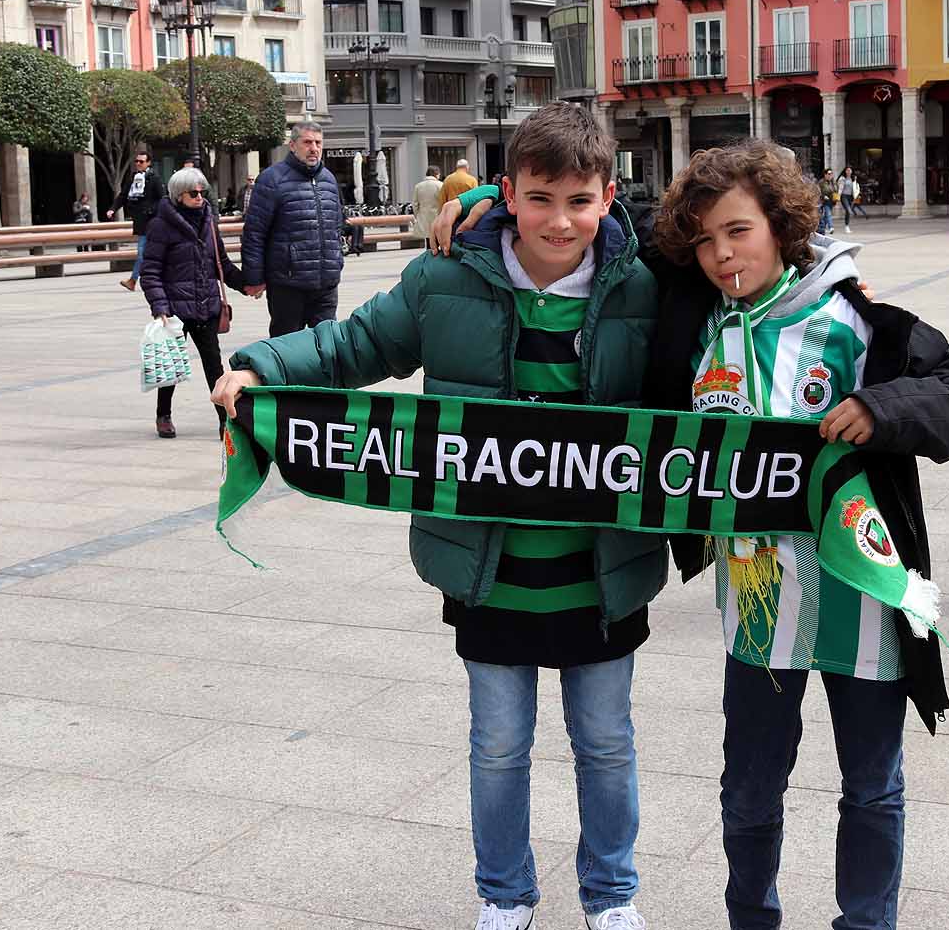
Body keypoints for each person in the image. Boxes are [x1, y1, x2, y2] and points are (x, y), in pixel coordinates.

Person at [213, 102, 663, 930]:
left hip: (605, 572)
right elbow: (352, 346)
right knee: (498, 749)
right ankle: (504, 892)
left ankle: (612, 893)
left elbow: (741, 308)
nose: (558, 220)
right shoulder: (444, 276)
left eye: (578, 199)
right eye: (538, 198)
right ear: (509, 193)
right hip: (486, 571)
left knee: (607, 747)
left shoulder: (646, 284)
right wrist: (258, 365)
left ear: (608, 195)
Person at [651, 141, 949, 930]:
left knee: (872, 783)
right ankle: (752, 919)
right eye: (704, 239)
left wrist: (881, 410)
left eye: (738, 230)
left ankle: (866, 923)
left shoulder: (854, 319)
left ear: (781, 224)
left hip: (862, 597)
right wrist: (485, 205)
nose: (722, 253)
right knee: (749, 788)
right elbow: (603, 234)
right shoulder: (699, 326)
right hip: (760, 607)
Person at [140, 167, 250, 439]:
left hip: (206, 306)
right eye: (193, 193)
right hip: (175, 311)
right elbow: (150, 271)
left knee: (215, 367)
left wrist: (247, 285)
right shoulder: (161, 225)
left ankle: (227, 421)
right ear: (179, 195)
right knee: (172, 367)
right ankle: (163, 415)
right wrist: (160, 307)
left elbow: (221, 263)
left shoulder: (209, 222)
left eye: (203, 192)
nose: (200, 197)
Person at [241, 122, 346, 338]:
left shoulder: (328, 179)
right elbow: (254, 233)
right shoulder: (271, 179)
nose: (314, 148)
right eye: (307, 142)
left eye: (318, 143)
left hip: (325, 283)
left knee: (329, 346)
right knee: (286, 349)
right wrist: (254, 278)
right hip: (287, 284)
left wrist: (337, 261)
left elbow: (336, 225)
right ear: (292, 145)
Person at [107, 150, 164, 291]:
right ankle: (140, 279)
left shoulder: (154, 178)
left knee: (143, 252)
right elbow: (123, 195)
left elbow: (163, 199)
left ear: (148, 163)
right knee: (148, 253)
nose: (138, 163)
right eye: (136, 161)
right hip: (141, 221)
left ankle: (133, 280)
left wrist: (152, 210)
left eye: (141, 161)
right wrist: (113, 209)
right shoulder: (134, 177)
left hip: (152, 222)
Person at [412, 164, 444, 240]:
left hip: (423, 216)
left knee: (427, 238)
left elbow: (415, 204)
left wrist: (418, 215)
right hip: (437, 215)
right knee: (437, 238)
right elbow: (443, 201)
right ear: (436, 174)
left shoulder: (418, 186)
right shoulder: (441, 185)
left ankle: (429, 251)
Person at [835, 166, 857, 234]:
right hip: (843, 196)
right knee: (848, 210)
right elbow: (840, 188)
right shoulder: (842, 178)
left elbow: (855, 188)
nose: (848, 172)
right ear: (845, 171)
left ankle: (847, 226)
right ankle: (847, 227)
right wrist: (838, 197)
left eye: (850, 170)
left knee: (848, 212)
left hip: (850, 196)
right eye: (847, 170)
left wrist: (856, 196)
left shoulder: (853, 178)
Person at [817, 170, 836, 235]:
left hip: (831, 200)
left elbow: (835, 190)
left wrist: (836, 197)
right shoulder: (821, 182)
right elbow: (818, 191)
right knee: (828, 214)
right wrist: (823, 196)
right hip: (824, 201)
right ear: (825, 175)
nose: (830, 175)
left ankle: (822, 230)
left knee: (825, 217)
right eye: (829, 174)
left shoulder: (832, 182)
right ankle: (831, 227)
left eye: (831, 174)